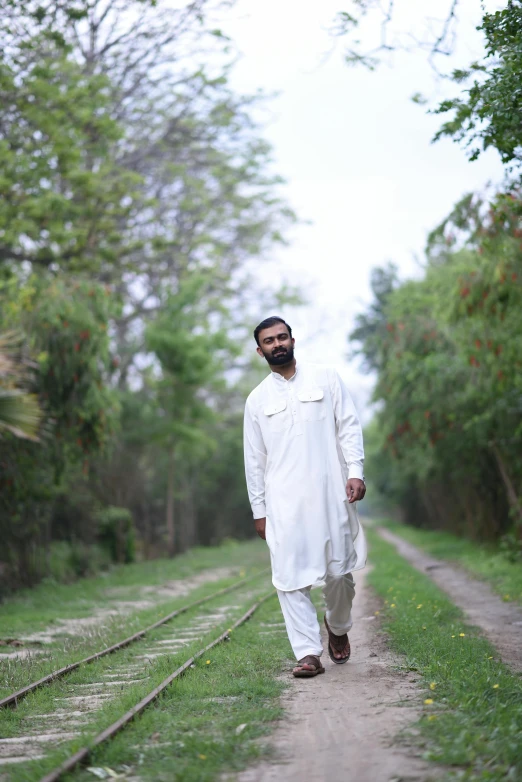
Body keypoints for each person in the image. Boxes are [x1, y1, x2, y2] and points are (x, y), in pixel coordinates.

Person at [243, 316, 367, 678]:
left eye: (282, 337)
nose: (277, 344)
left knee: (340, 573)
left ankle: (338, 627)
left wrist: (355, 471)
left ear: (293, 340)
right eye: (269, 340)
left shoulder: (326, 378)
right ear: (260, 350)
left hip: (332, 496)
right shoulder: (256, 400)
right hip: (284, 504)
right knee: (288, 578)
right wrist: (259, 510)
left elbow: (348, 425)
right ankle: (308, 653)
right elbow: (254, 461)